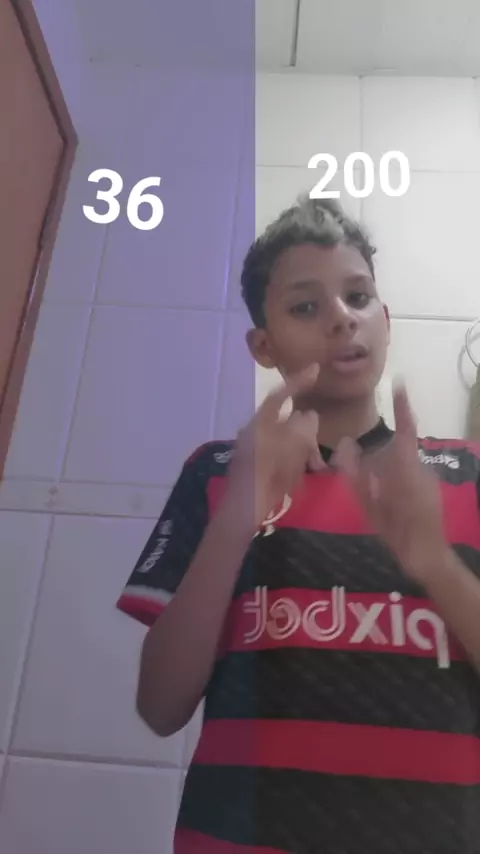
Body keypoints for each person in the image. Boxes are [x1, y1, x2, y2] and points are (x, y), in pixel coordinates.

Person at [116, 198, 480, 854]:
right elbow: (160, 707)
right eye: (306, 306)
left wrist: (435, 563)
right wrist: (236, 519)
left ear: (385, 320)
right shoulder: (218, 472)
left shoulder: (465, 473)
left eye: (358, 297)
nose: (342, 317)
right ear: (264, 346)